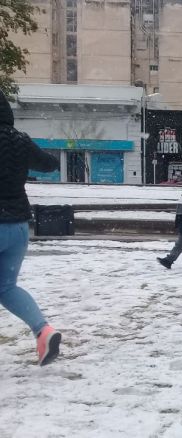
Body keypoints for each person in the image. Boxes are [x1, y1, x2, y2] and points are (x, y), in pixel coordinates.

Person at [0, 90, 62, 366]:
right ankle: (43, 330)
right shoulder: (19, 140)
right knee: (6, 286)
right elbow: (49, 164)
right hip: (18, 227)